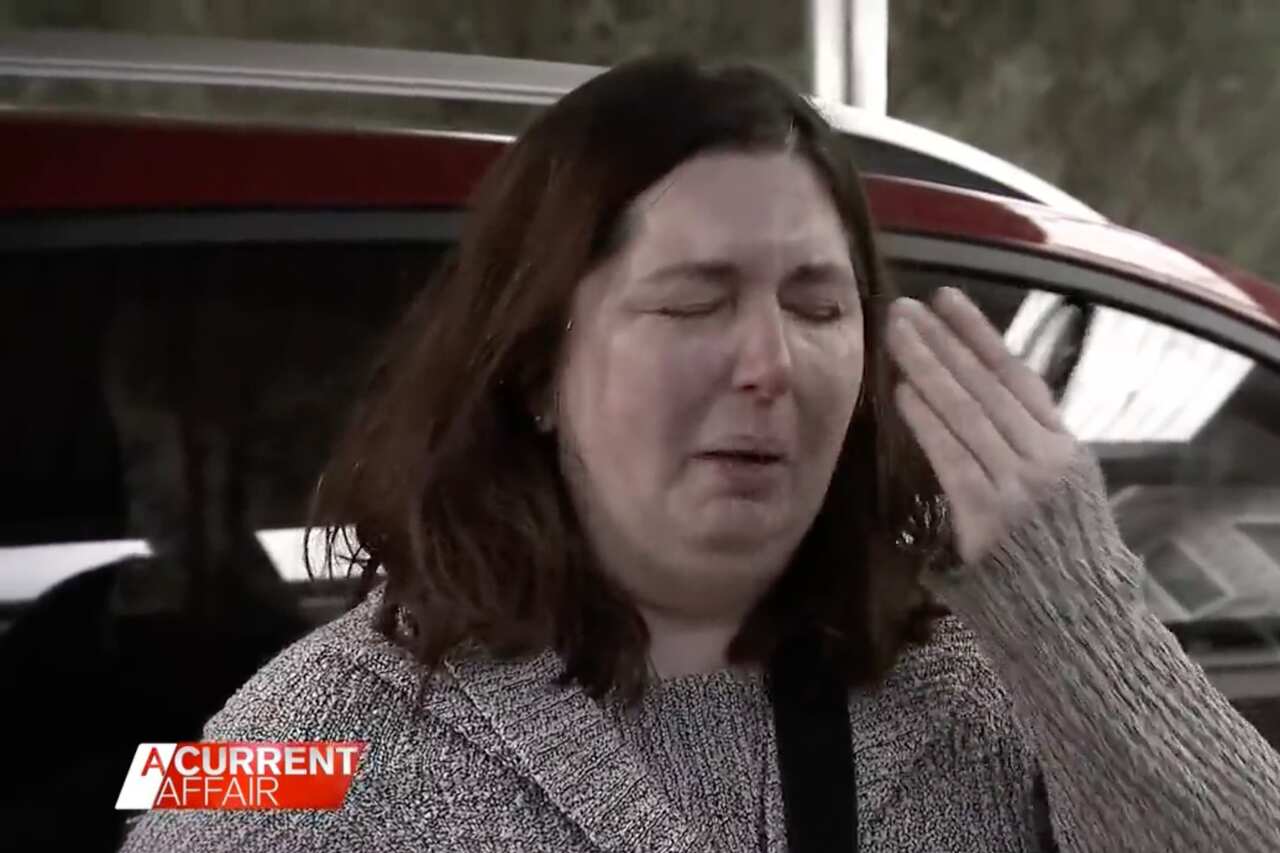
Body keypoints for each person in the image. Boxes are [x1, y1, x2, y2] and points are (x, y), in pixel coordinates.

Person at [120, 56, 1280, 852]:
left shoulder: (982, 691)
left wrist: (1077, 621)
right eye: (693, 302)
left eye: (820, 307)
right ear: (535, 371)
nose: (769, 363)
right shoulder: (305, 742)